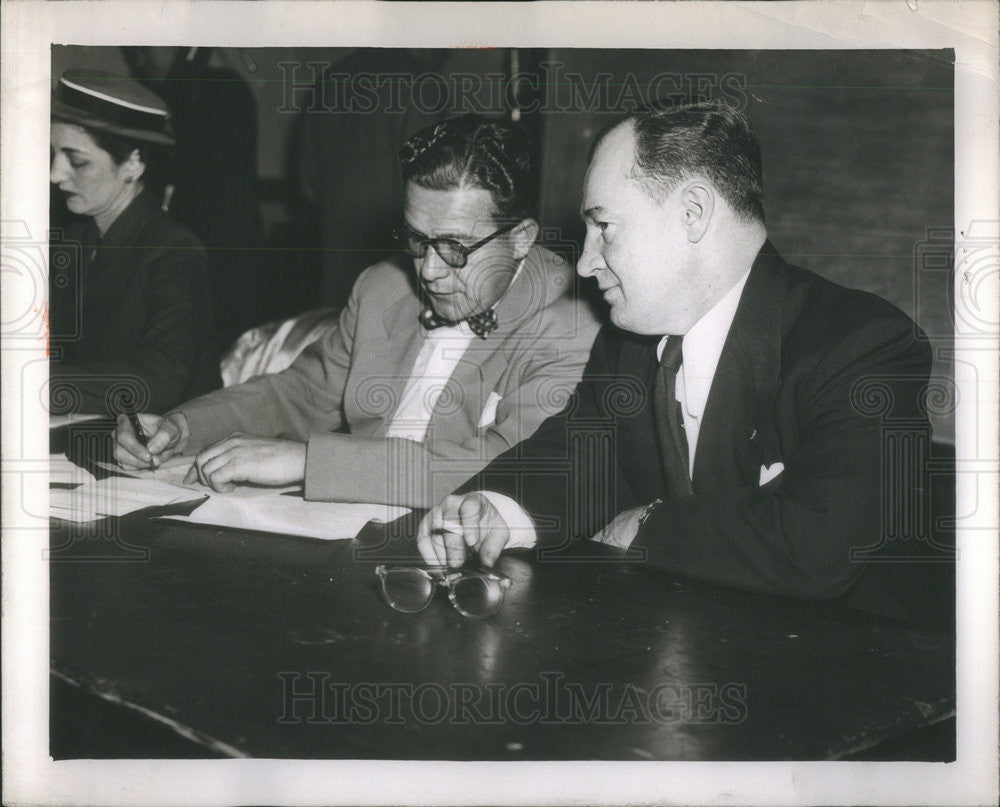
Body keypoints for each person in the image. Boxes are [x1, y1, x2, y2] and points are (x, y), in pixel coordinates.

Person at [417, 103, 933, 607]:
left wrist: (648, 524)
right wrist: (490, 510)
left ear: (693, 213)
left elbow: (816, 544)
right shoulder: (631, 344)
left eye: (604, 227)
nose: (587, 262)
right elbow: (578, 456)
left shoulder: (862, 345)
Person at [114, 114, 600, 508]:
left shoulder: (571, 325)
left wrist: (310, 463)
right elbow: (300, 393)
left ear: (521, 238)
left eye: (455, 247)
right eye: (416, 239)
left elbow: (507, 468)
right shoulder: (384, 288)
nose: (428, 271)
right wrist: (183, 427)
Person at [49, 68, 220, 416]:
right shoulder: (74, 238)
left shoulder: (173, 251)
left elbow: (163, 378)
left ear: (133, 164)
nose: (55, 174)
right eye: (53, 154)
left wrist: (34, 384)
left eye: (76, 161)